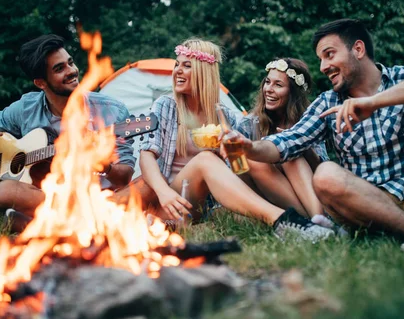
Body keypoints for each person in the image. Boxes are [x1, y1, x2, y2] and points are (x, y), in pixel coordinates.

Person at [226, 18, 404, 254]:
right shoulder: (326, 102)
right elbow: (286, 143)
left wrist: (374, 103)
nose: (323, 66)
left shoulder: (402, 77)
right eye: (321, 59)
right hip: (365, 206)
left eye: (329, 55)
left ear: (358, 49)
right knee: (326, 174)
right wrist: (249, 148)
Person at [137, 38, 335, 241]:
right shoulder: (165, 106)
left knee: (253, 158)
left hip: (206, 206)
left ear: (204, 72)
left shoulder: (226, 117)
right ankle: (283, 221)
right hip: (171, 201)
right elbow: (146, 156)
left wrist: (234, 152)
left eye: (187, 65)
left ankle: (312, 226)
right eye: (176, 64)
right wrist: (163, 192)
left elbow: (238, 168)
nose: (177, 70)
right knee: (206, 159)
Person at [0, 34, 135, 220]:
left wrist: (104, 165)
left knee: (146, 186)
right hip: (47, 195)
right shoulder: (26, 108)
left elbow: (124, 177)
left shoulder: (112, 111)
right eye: (59, 69)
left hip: (96, 194)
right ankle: (75, 217)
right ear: (41, 83)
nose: (71, 71)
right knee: (4, 191)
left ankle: (45, 220)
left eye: (70, 63)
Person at [239, 58, 329, 219]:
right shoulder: (249, 123)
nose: (269, 89)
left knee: (290, 152)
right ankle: (314, 220)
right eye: (267, 82)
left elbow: (322, 172)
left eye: (278, 85)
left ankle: (317, 220)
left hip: (304, 193)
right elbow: (234, 170)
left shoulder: (307, 124)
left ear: (294, 93)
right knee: (255, 159)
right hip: (259, 195)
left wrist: (302, 146)